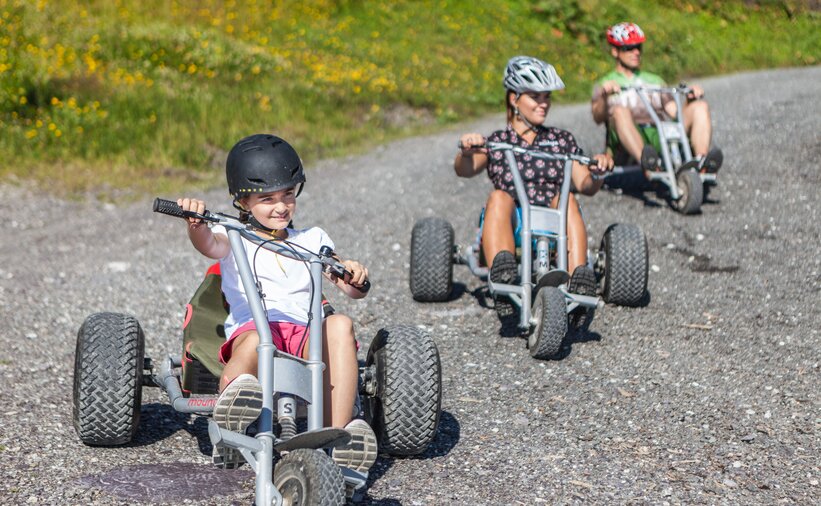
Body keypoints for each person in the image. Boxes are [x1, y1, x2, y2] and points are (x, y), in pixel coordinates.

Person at [177, 133, 377, 472]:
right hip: (256, 328)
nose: (281, 206)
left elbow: (348, 285)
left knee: (340, 324)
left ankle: (338, 437)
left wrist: (354, 274)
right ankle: (232, 418)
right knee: (257, 340)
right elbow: (208, 244)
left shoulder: (312, 239)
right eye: (267, 198)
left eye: (288, 194)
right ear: (242, 202)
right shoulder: (233, 235)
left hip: (304, 335)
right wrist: (196, 224)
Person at [455, 56, 613, 326]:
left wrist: (598, 172)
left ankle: (578, 280)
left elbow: (586, 184)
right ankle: (501, 276)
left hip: (553, 222)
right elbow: (465, 169)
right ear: (514, 99)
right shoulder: (498, 141)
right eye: (535, 97)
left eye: (547, 97)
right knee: (499, 195)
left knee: (568, 199)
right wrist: (468, 149)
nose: (543, 104)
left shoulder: (561, 141)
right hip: (511, 222)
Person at [590, 22, 722, 175]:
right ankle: (648, 164)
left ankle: (702, 163)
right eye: (629, 48)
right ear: (615, 51)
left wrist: (691, 100)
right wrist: (605, 97)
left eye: (638, 47)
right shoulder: (605, 83)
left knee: (700, 106)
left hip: (659, 134)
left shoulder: (654, 80)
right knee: (619, 111)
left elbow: (674, 113)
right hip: (626, 141)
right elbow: (597, 118)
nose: (636, 52)